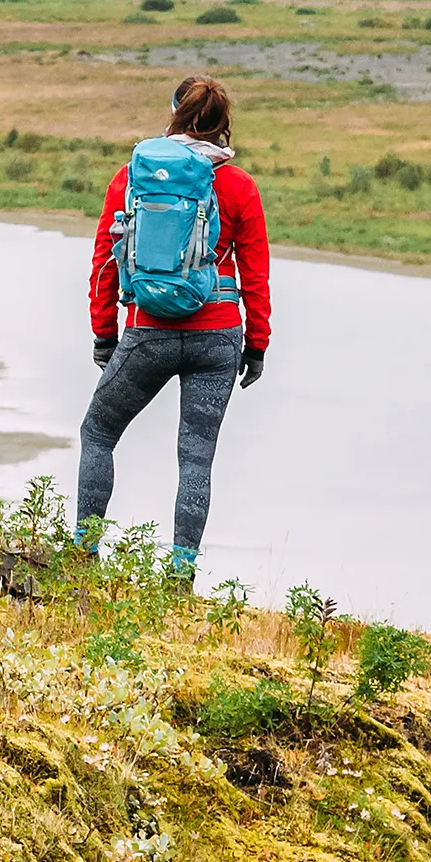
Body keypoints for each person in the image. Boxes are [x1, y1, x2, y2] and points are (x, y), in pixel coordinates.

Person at [79, 75, 271, 577]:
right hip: (219, 337)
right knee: (196, 459)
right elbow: (254, 274)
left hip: (149, 331)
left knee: (98, 433)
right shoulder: (239, 186)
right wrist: (257, 346)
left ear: (174, 114)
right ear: (224, 126)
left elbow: (106, 260)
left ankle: (83, 557)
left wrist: (104, 333)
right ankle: (179, 576)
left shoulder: (134, 177)